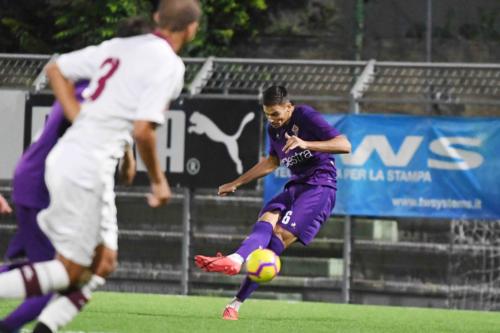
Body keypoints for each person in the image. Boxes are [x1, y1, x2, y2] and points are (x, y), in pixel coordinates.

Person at [0, 0, 200, 332]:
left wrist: (81, 120)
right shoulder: (169, 65)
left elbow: (56, 69)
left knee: (104, 263)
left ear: (156, 19)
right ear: (191, 28)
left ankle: (43, 328)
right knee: (68, 271)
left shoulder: (121, 46)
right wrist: (159, 181)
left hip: (83, 162)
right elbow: (143, 130)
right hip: (85, 167)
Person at [194, 85, 352, 320]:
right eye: (268, 114)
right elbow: (272, 161)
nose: (272, 119)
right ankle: (236, 261)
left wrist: (307, 143)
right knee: (265, 218)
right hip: (296, 185)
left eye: (276, 113)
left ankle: (236, 302)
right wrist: (237, 182)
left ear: (289, 107)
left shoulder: (305, 116)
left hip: (320, 188)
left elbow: (344, 145)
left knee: (276, 237)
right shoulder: (273, 128)